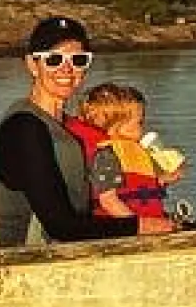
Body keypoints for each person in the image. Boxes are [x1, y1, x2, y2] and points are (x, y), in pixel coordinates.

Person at [0, 17, 170, 246]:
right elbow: (61, 226)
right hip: (28, 259)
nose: (67, 68)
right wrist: (141, 225)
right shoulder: (24, 128)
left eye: (78, 59)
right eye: (53, 59)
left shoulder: (72, 127)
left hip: (71, 246)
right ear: (33, 65)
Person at [73, 82, 185, 224]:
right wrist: (138, 227)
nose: (143, 128)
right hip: (125, 231)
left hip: (149, 225)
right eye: (139, 122)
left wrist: (162, 180)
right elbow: (109, 201)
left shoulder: (133, 151)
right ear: (117, 127)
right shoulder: (106, 155)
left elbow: (137, 185)